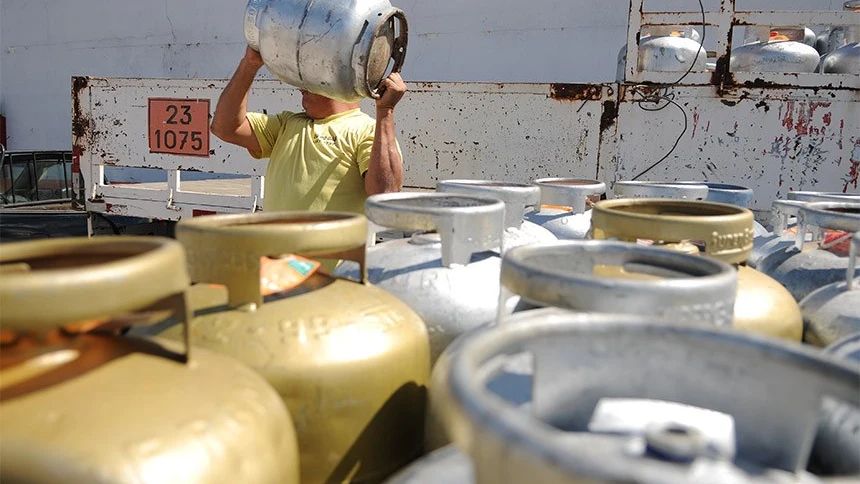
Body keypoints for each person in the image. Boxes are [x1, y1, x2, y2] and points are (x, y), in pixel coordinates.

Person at [210, 46, 407, 214]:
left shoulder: (367, 130)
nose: (301, 87)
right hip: (279, 259)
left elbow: (385, 195)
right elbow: (224, 128)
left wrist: (385, 111)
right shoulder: (287, 124)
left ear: (337, 82)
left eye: (312, 77)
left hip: (337, 260)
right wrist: (249, 64)